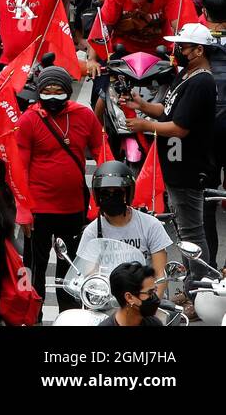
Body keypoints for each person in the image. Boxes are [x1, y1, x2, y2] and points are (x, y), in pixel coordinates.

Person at [127, 23, 218, 278]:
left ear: (198, 50)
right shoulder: (186, 74)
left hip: (188, 168)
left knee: (192, 232)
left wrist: (145, 125)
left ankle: (200, 288)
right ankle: (193, 284)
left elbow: (179, 128)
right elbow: (168, 112)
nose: (176, 50)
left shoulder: (201, 82)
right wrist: (143, 105)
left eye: (182, 46)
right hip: (174, 166)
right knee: (183, 229)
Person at [18, 65, 104, 311]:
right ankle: (31, 313)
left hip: (74, 207)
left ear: (68, 91)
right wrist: (23, 209)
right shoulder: (29, 120)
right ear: (39, 92)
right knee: (34, 268)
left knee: (71, 271)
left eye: (58, 91)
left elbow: (100, 150)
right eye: (47, 91)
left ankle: (70, 315)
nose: (52, 96)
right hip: (38, 211)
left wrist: (108, 185)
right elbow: (20, 167)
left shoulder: (85, 116)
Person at [79, 162, 173, 283]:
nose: (111, 198)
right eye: (105, 193)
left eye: (117, 193)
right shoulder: (91, 232)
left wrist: (151, 300)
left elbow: (161, 275)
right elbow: (88, 276)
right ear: (97, 196)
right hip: (108, 297)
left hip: (145, 295)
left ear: (128, 194)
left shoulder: (151, 225)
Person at [99, 262, 164, 326]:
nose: (154, 297)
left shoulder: (154, 323)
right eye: (150, 292)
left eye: (155, 290)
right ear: (129, 297)